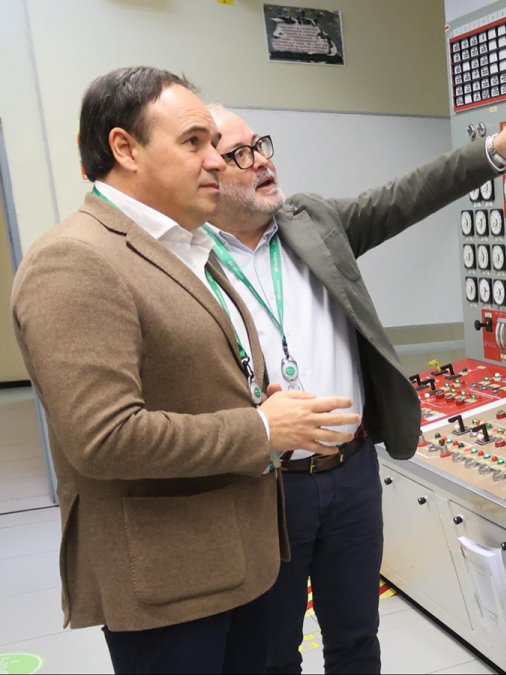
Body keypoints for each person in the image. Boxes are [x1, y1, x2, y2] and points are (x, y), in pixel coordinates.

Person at [11, 66, 360, 675]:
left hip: (238, 559)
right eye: (193, 143)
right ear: (125, 148)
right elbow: (105, 436)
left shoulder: (186, 247)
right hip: (171, 583)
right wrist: (260, 430)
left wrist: (257, 397)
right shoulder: (75, 260)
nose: (218, 161)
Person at [204, 91, 506, 673]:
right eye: (241, 154)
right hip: (266, 487)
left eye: (261, 145)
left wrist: (497, 149)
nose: (263, 161)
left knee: (357, 638)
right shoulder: (187, 260)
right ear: (206, 174)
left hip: (353, 471)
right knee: (270, 653)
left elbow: (403, 198)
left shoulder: (309, 221)